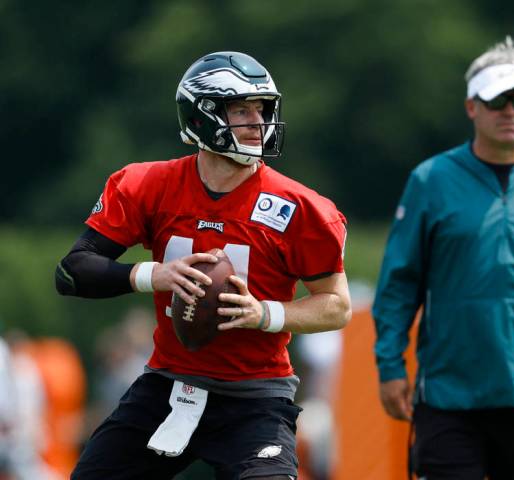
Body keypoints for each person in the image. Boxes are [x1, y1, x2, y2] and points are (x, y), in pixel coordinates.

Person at [55, 51, 351, 480]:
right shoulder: (148, 185)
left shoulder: (301, 207)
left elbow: (336, 305)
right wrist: (153, 275)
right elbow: (72, 272)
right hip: (167, 385)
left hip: (255, 399)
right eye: (241, 109)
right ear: (202, 117)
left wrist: (264, 313)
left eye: (262, 109)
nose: (257, 122)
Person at [372, 36, 514, 480]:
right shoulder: (431, 180)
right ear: (471, 107)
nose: (510, 110)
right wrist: (390, 364)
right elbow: (400, 282)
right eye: (497, 100)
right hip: (446, 394)